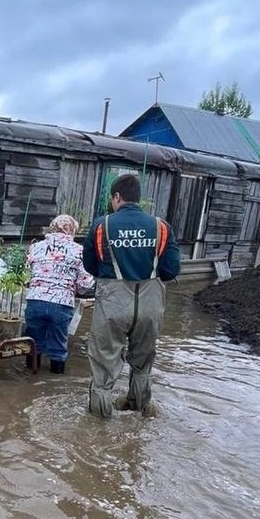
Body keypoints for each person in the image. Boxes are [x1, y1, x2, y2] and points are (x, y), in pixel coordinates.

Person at [83, 174, 181, 417]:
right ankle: (138, 410)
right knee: (143, 361)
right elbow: (171, 270)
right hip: (150, 303)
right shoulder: (161, 227)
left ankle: (98, 426)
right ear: (138, 199)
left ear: (117, 197)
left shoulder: (101, 225)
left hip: (112, 302)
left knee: (104, 363)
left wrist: (111, 277)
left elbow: (89, 265)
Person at [24, 214, 95, 374]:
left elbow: (27, 274)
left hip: (35, 300)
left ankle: (29, 378)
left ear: (52, 227)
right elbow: (85, 283)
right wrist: (76, 289)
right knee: (58, 348)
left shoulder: (36, 247)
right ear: (72, 230)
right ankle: (55, 381)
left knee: (33, 344)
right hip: (61, 304)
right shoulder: (79, 250)